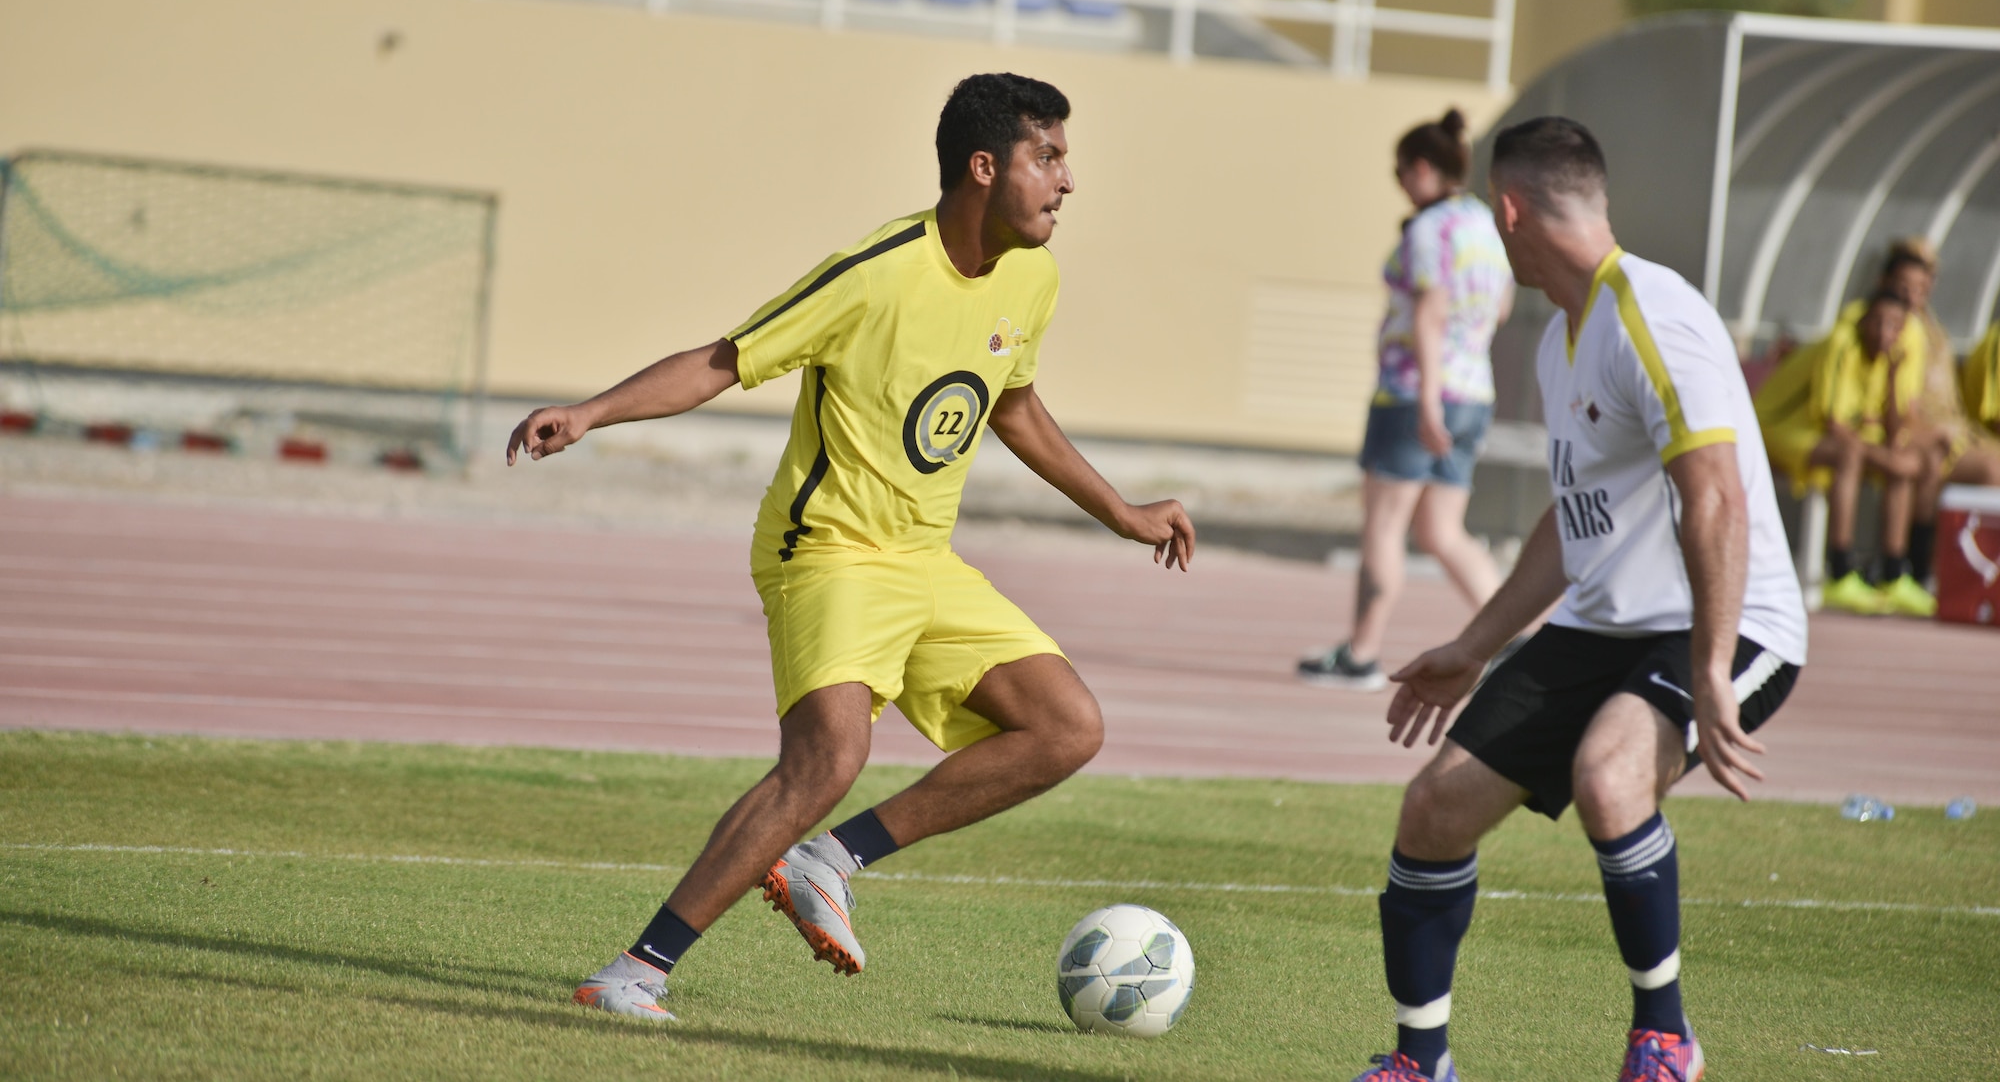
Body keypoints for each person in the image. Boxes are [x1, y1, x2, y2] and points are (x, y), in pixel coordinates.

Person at [506, 73, 1196, 1022]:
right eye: (1050, 157)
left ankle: (829, 858)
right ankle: (634, 972)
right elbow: (721, 360)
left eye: (1065, 159)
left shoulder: (1033, 276)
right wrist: (588, 413)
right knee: (830, 754)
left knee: (1067, 726)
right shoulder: (875, 273)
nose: (1067, 181)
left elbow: (1014, 404)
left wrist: (1121, 511)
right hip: (826, 549)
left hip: (924, 559)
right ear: (984, 167)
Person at [1347, 117, 1806, 1082]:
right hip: (1602, 627)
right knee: (1433, 810)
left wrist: (1715, 668)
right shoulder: (1563, 339)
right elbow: (1573, 523)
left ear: (1510, 211)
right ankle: (1419, 1063)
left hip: (1730, 621)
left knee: (1609, 776)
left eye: (1491, 213)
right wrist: (1475, 645)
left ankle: (1665, 1040)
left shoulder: (1654, 312)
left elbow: (1714, 494)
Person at [1299, 109, 1511, 690]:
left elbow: (1429, 312)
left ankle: (1362, 654)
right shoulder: (1484, 225)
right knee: (1443, 532)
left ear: (1422, 169)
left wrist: (1426, 405)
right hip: (1474, 390)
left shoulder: (1427, 231)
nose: (1399, 184)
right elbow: (1502, 307)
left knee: (1384, 527)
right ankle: (1512, 638)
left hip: (1415, 395)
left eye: (1400, 172)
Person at [1754, 289, 1930, 615]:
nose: (1884, 332)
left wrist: (1892, 378)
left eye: (1893, 325)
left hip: (1823, 437)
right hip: (1776, 427)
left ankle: (1893, 573)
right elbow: (1834, 423)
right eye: (1877, 322)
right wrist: (1887, 458)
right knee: (1854, 454)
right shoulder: (1843, 344)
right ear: (1864, 320)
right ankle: (1840, 570)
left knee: (1901, 464)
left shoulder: (1895, 358)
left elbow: (1894, 432)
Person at [1871, 238, 2000, 589]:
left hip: (1952, 431)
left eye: (1924, 284)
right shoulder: (1887, 327)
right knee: (1991, 469)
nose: (1914, 294)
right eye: (1905, 286)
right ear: (1886, 283)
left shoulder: (1930, 326)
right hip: (1913, 433)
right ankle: (1956, 576)